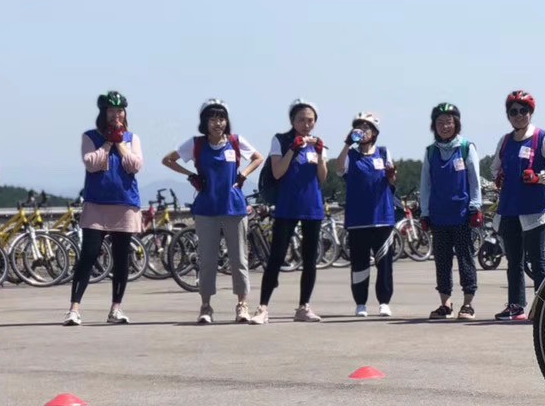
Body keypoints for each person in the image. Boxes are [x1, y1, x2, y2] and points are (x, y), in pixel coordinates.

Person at [161, 98, 265, 324]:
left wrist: (244, 174)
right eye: (212, 118)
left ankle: (242, 304)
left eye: (221, 118)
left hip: (233, 207)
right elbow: (168, 160)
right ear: (205, 122)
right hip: (206, 208)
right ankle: (206, 306)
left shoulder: (235, 142)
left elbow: (258, 158)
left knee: (239, 259)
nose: (218, 123)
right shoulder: (196, 144)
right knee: (207, 259)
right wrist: (190, 175)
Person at [65, 91, 144, 326]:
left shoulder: (132, 138)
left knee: (121, 258)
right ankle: (74, 308)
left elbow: (135, 166)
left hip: (125, 204)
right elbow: (92, 164)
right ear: (103, 113)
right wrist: (108, 142)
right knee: (88, 255)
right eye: (111, 111)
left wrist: (120, 143)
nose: (116, 115)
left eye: (120, 111)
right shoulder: (90, 136)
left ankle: (116, 308)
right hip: (96, 204)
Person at [491, 90, 545, 321]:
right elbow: (495, 167)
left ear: (530, 113)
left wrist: (539, 177)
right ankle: (516, 305)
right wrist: (498, 177)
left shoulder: (541, 138)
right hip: (509, 208)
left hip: (534, 209)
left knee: (537, 258)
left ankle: (543, 305)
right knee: (514, 261)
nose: (519, 115)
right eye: (513, 111)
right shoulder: (505, 141)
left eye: (523, 111)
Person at [257, 99, 330, 323]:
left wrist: (319, 155)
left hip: (312, 207)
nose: (306, 125)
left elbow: (322, 178)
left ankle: (303, 307)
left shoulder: (318, 143)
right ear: (292, 121)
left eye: (310, 120)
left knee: (309, 259)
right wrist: (293, 148)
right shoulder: (281, 140)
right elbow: (278, 172)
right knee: (277, 257)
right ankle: (263, 308)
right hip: (287, 206)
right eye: (301, 120)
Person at [419, 102, 482, 319]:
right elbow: (425, 185)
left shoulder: (465, 148)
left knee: (465, 258)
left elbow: (474, 181)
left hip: (462, 214)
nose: (445, 126)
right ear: (433, 126)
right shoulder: (430, 152)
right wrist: (424, 213)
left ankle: (468, 304)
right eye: (440, 123)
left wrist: (476, 207)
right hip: (439, 215)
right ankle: (445, 304)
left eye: (449, 122)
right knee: (442, 261)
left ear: (456, 124)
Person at [336, 111, 397, 318]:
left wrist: (392, 176)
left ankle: (384, 302)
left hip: (382, 218)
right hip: (358, 220)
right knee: (359, 264)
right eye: (359, 127)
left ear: (374, 132)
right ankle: (361, 302)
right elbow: (338, 168)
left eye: (367, 128)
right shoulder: (351, 155)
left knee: (384, 263)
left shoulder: (383, 152)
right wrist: (347, 143)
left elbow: (391, 181)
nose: (362, 131)